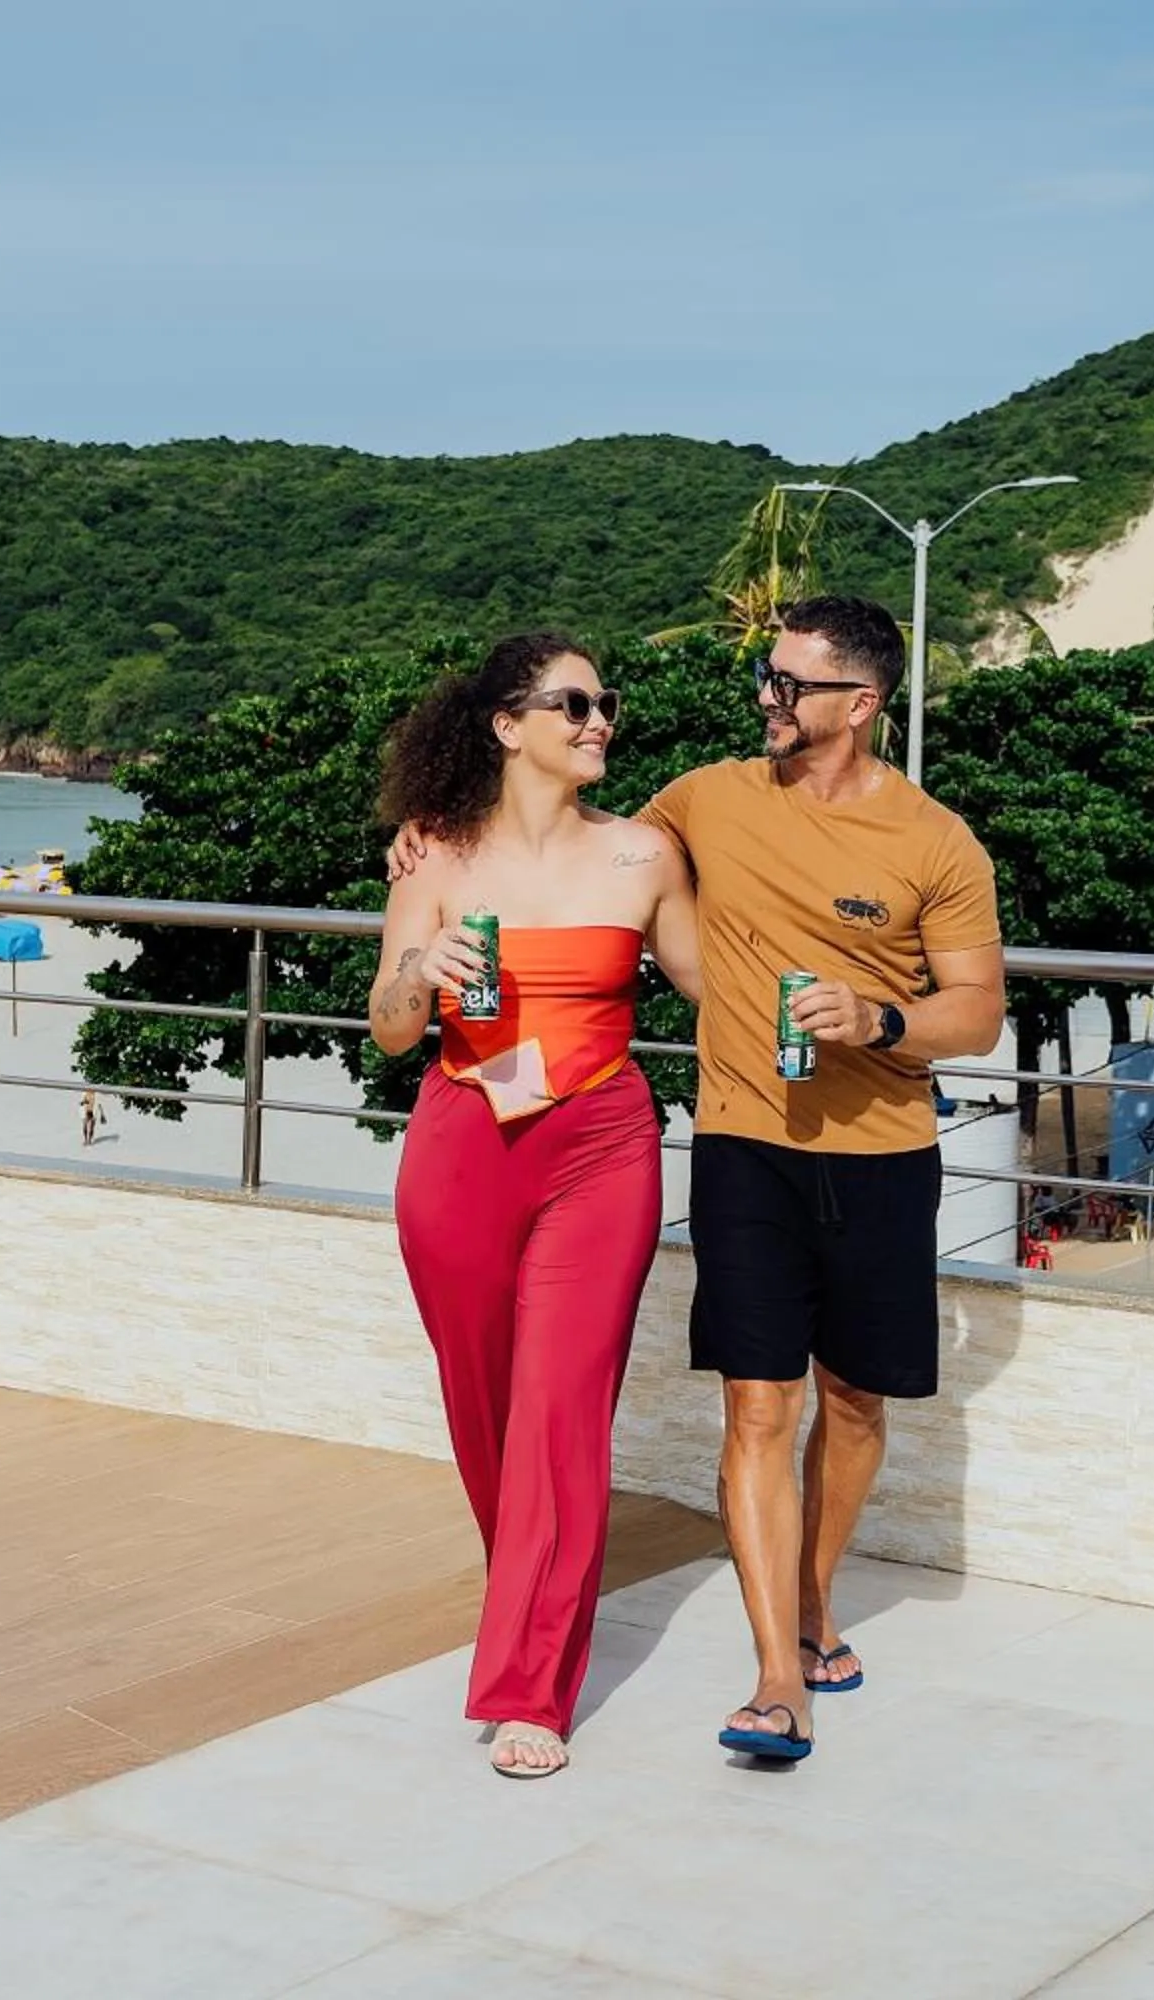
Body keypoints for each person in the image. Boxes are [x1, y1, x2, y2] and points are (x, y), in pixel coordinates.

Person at [406, 599, 1003, 1765]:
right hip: (739, 1141)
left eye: (788, 685)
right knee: (754, 1405)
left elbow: (976, 1011)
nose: (765, 698)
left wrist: (879, 1017)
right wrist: (427, 858)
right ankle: (774, 1674)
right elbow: (564, 843)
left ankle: (806, 1612)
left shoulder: (937, 841)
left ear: (860, 704)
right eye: (766, 679)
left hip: (878, 1146)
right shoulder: (702, 800)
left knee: (854, 1401)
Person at [369, 632, 700, 1779]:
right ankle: (531, 1586)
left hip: (602, 1145)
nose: (599, 719)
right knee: (487, 1409)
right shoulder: (435, 853)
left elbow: (720, 984)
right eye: (573, 703)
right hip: (464, 1140)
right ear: (507, 726)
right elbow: (391, 1028)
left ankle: (530, 1684)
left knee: (561, 1411)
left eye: (606, 702)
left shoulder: (643, 852)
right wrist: (421, 973)